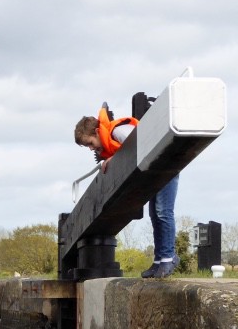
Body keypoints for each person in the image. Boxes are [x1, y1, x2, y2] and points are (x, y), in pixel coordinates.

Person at [75, 104, 180, 279]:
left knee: (163, 212)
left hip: (165, 164)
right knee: (155, 214)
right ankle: (159, 260)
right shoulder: (111, 138)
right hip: (155, 172)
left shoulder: (119, 131)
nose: (91, 149)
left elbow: (141, 144)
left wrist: (115, 157)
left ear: (96, 133)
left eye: (90, 144)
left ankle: (169, 258)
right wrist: (113, 158)